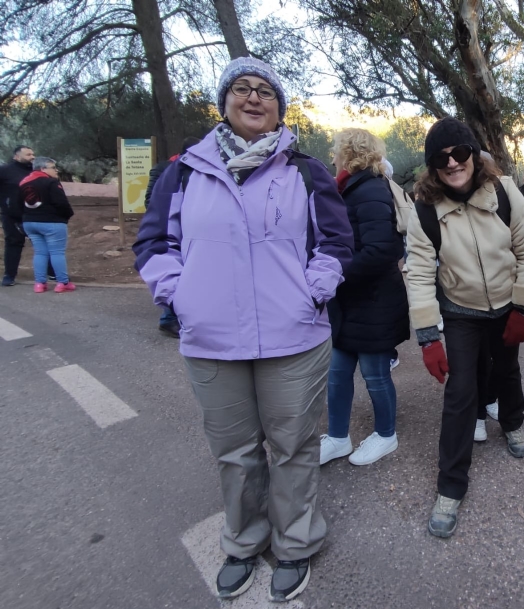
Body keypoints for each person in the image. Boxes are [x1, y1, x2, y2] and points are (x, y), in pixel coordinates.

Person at [133, 57, 354, 603]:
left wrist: (313, 291)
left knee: (293, 446)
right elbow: (154, 244)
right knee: (234, 451)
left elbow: (335, 241)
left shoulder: (305, 170)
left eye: (265, 92)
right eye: (241, 89)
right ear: (224, 102)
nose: (253, 98)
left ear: (280, 107)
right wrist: (179, 295)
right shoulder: (185, 171)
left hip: (294, 336)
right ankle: (244, 539)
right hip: (211, 341)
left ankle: (296, 542)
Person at [405, 117, 524, 538]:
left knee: (507, 371)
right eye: (440, 158)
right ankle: (450, 485)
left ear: (474, 154)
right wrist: (428, 337)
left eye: (460, 153)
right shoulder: (424, 208)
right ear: (432, 166)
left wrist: (523, 308)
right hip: (461, 309)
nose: (452, 163)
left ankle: (513, 422)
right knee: (460, 393)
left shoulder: (503, 191)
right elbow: (420, 272)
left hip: (505, 304)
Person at [320, 129, 409, 466]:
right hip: (351, 300)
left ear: (349, 152)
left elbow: (382, 250)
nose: (332, 157)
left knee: (375, 375)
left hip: (374, 301)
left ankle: (386, 435)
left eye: (335, 151)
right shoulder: (350, 186)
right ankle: (338, 438)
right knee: (338, 374)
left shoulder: (370, 187)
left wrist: (335, 275)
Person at [143, 136, 201, 338]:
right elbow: (151, 198)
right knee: (174, 268)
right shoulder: (166, 169)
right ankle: (168, 317)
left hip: (194, 228)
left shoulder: (199, 170)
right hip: (172, 227)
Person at [16, 157, 75, 293]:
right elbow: (61, 203)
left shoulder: (24, 183)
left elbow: (18, 204)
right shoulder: (51, 183)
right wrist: (66, 216)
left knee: (40, 253)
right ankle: (63, 282)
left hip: (30, 222)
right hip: (52, 222)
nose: (56, 170)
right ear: (43, 169)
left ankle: (39, 283)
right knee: (57, 252)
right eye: (53, 167)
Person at [0, 145, 34, 286]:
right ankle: (9, 276)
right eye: (28, 154)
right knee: (13, 244)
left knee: (43, 245)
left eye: (33, 154)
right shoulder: (5, 171)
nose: (32, 157)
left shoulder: (36, 171)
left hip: (35, 216)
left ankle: (52, 274)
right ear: (16, 156)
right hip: (11, 216)